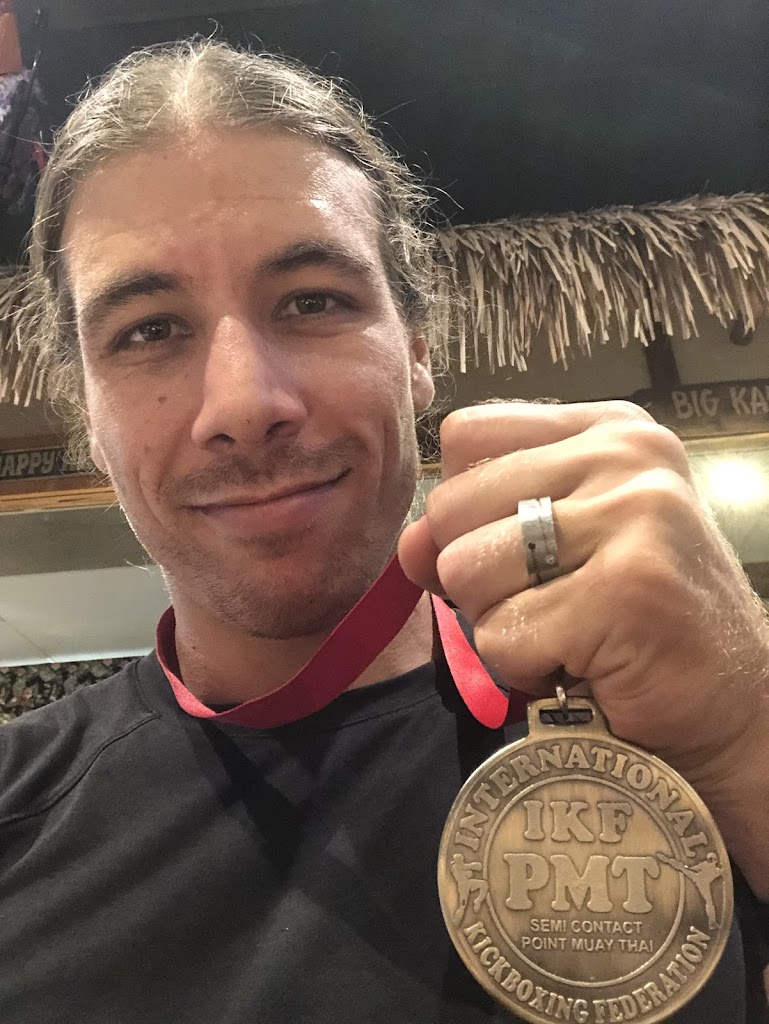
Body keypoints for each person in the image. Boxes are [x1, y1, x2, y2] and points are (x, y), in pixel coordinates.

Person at [0, 38, 767, 1023]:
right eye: (148, 329)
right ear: (87, 414)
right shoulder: (18, 807)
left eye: (312, 301)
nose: (244, 403)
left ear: (415, 349)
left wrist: (746, 731)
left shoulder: (677, 714)